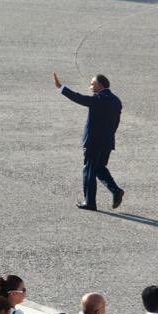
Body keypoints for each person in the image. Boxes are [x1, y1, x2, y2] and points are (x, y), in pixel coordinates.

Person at [52, 72, 124, 211]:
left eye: (92, 84)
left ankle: (90, 202)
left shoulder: (98, 99)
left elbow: (79, 98)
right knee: (99, 168)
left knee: (89, 171)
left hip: (93, 143)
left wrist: (61, 87)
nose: (90, 86)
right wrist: (108, 137)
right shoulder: (116, 101)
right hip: (107, 142)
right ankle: (116, 190)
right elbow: (116, 122)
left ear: (100, 85)